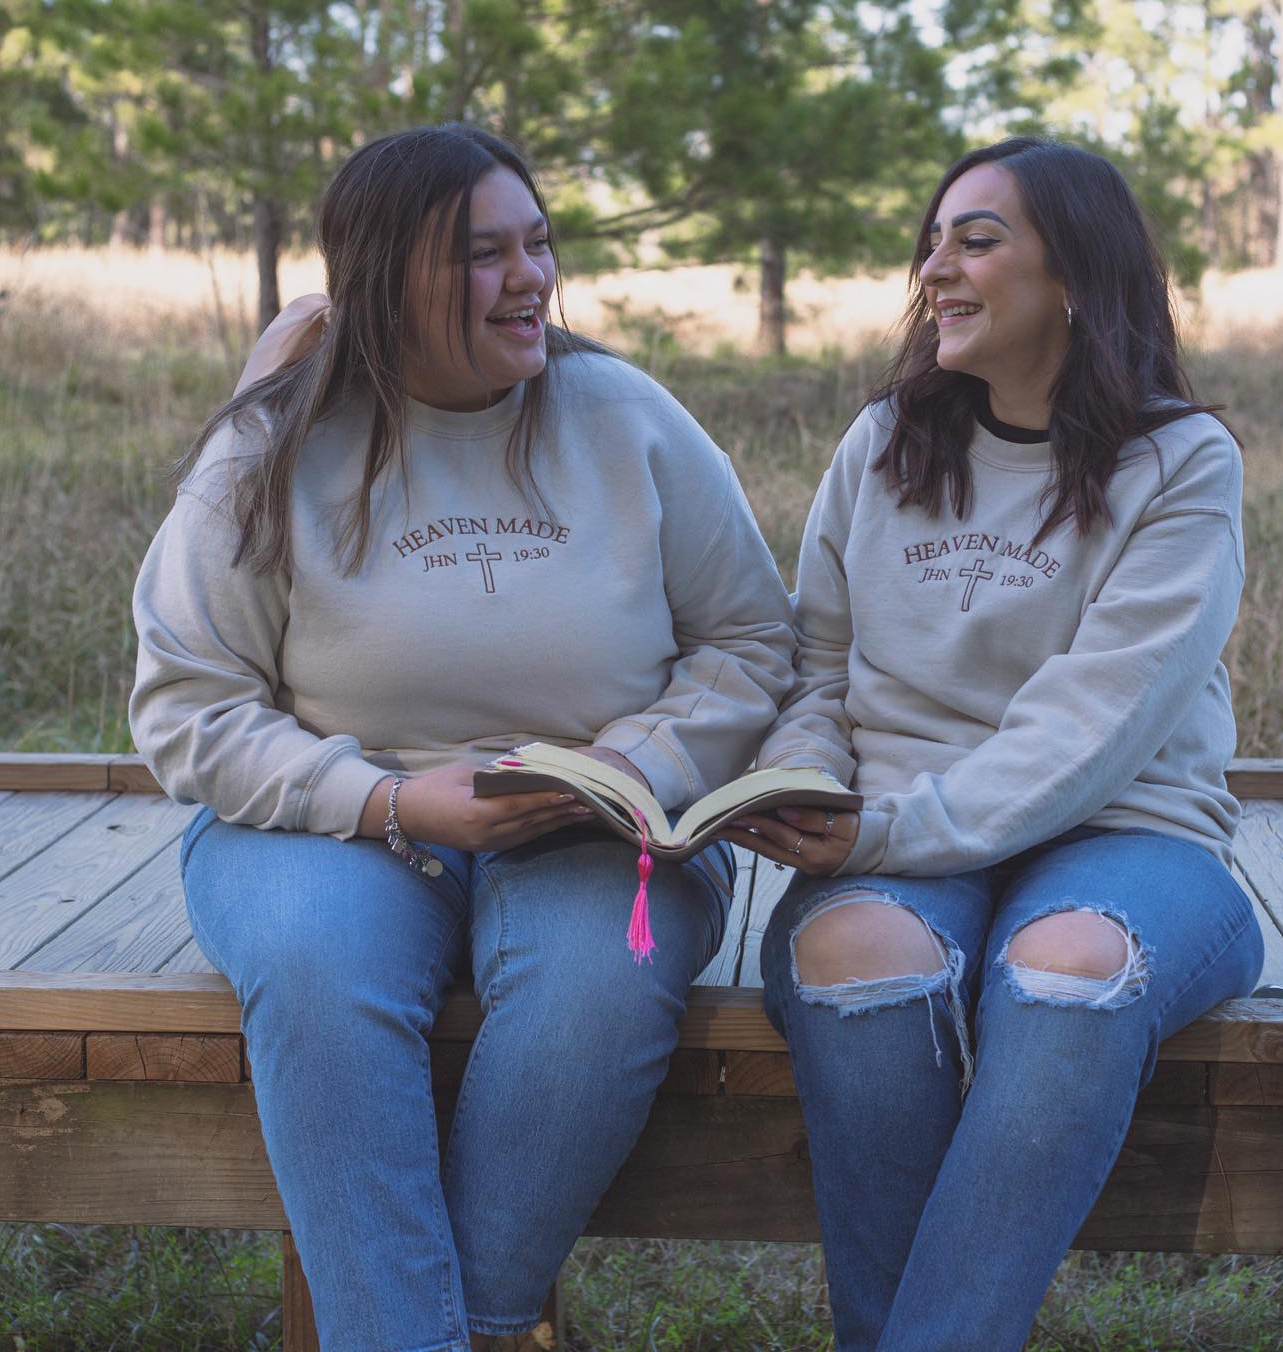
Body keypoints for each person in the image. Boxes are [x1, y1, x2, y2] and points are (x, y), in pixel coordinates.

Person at [129, 123, 796, 1352]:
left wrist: (632, 766)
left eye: (537, 243)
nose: (530, 278)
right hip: (328, 825)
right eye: (482, 255)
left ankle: (469, 1326)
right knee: (318, 971)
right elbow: (187, 707)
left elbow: (752, 639)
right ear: (384, 281)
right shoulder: (269, 446)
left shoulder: (626, 417)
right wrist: (389, 802)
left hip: (600, 829)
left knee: (597, 984)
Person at [724, 137, 1264, 1352]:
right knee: (857, 951)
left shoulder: (1182, 464)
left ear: (1075, 273)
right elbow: (819, 670)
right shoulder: (882, 444)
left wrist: (888, 830)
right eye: (933, 243)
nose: (936, 271)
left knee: (1070, 967)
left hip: (1127, 830)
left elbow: (1094, 726)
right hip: (895, 830)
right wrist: (803, 782)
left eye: (977, 241)